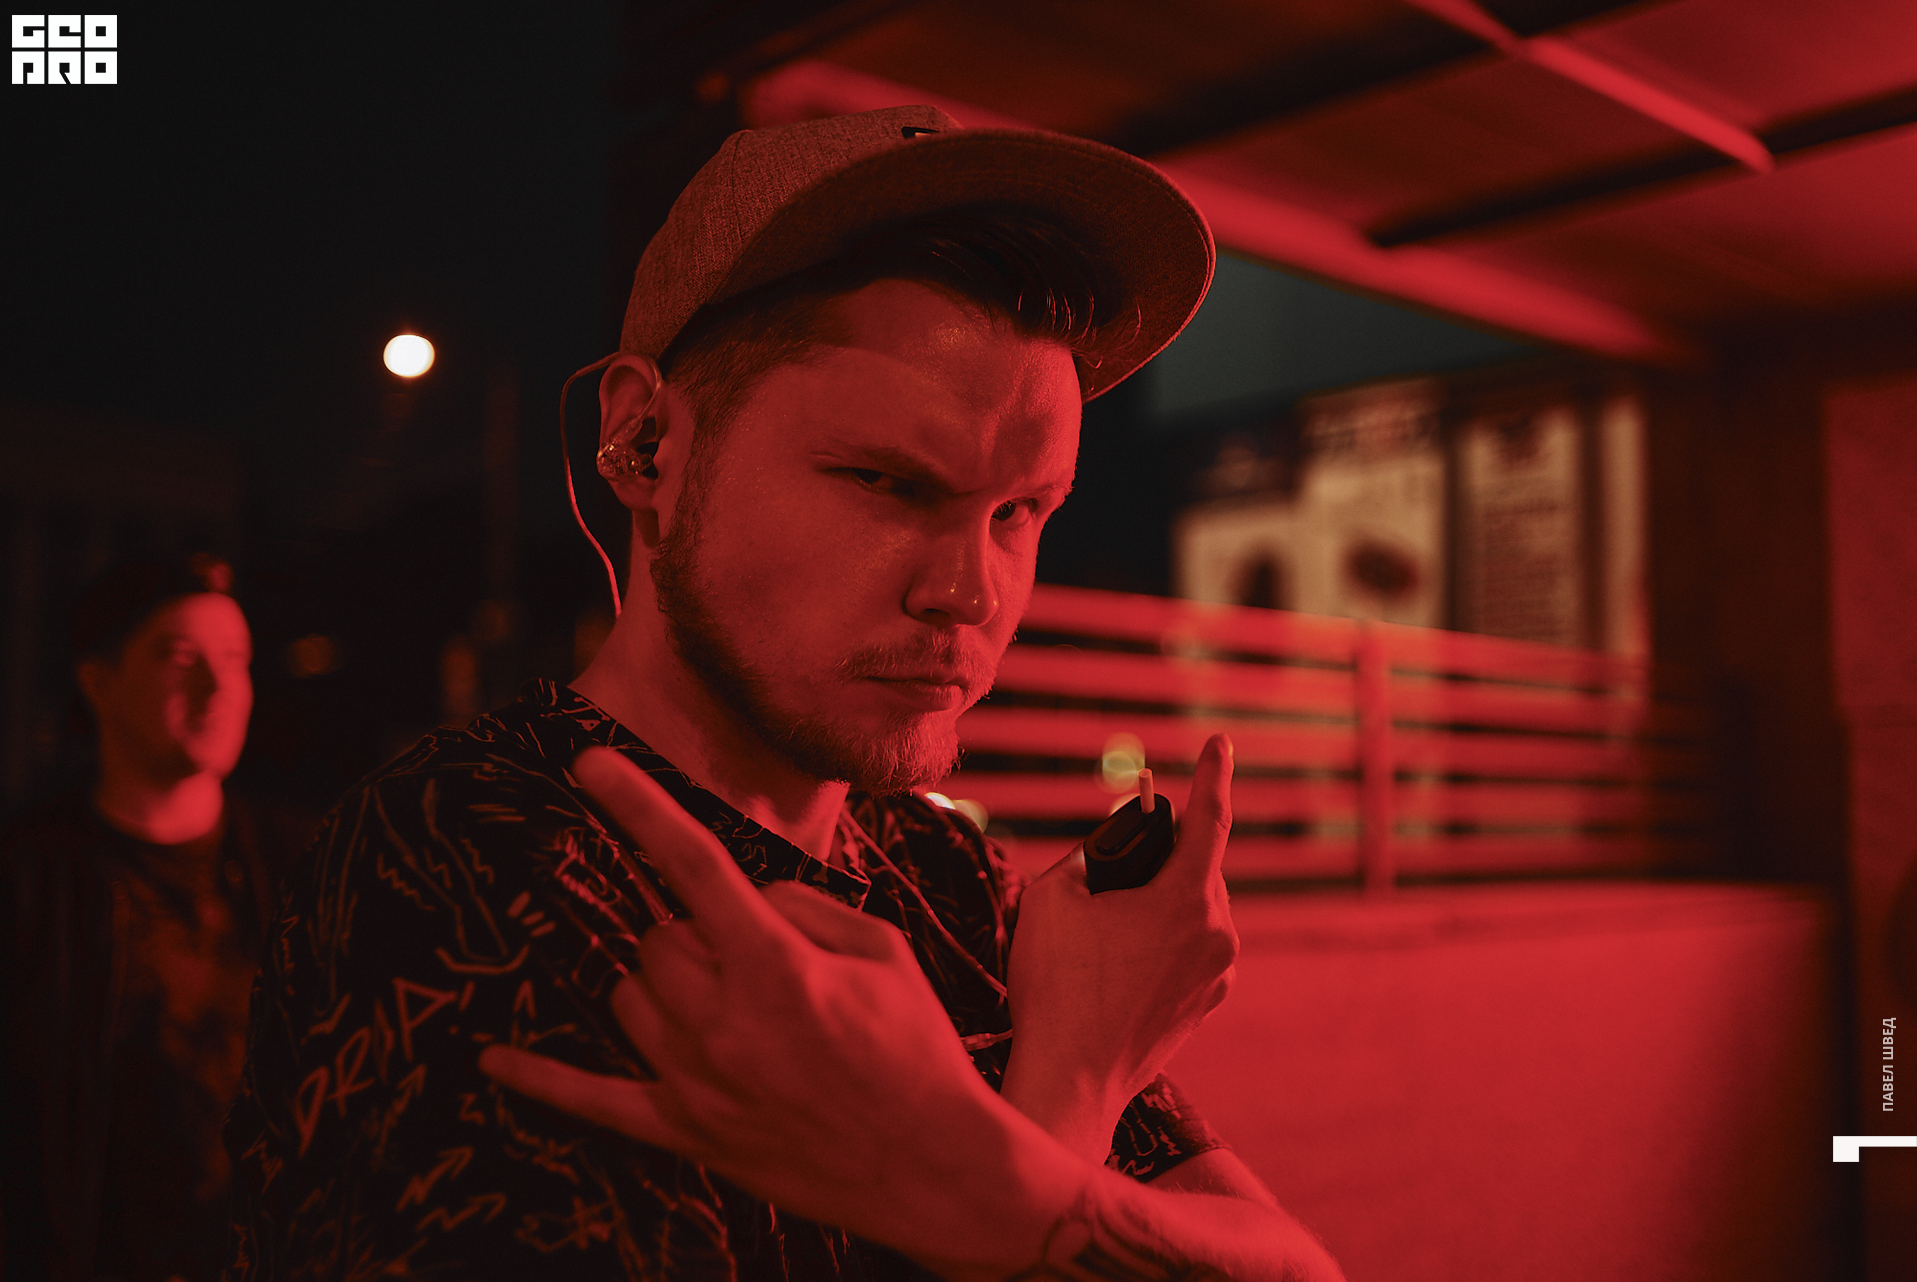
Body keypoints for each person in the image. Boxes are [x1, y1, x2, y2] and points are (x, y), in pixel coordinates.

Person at [224, 105, 1344, 1280]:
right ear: (646, 443)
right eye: (887, 482)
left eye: (1021, 511)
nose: (970, 592)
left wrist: (1026, 1144)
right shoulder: (473, 857)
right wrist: (1068, 1096)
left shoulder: (950, 872)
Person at [0, 555, 308, 1282]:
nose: (217, 688)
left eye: (236, 660)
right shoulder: (30, 879)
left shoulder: (301, 862)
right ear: (98, 682)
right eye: (181, 659)